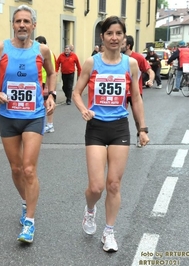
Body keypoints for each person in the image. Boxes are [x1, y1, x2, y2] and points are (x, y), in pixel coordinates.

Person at [0, 5, 56, 243]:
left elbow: (52, 73)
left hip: (34, 115)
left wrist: (50, 94)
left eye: (26, 21)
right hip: (8, 116)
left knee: (29, 169)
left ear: (34, 25)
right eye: (18, 21)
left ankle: (29, 222)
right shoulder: (1, 47)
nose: (22, 25)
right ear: (13, 24)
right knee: (16, 169)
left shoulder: (42, 50)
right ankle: (25, 201)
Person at [72, 16, 149, 252]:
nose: (114, 38)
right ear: (102, 37)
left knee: (114, 184)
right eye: (109, 34)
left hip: (119, 127)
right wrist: (84, 109)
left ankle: (109, 232)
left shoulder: (130, 64)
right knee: (96, 187)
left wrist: (142, 129)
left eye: (118, 34)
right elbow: (76, 92)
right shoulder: (91, 63)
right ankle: (90, 210)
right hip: (96, 127)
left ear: (124, 38)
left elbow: (135, 98)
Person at [121, 35, 154, 148]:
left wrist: (151, 79)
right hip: (122, 93)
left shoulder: (138, 58)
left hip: (135, 92)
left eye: (122, 44)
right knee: (119, 116)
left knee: (137, 118)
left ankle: (140, 135)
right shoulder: (117, 58)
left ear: (128, 46)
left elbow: (150, 71)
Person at [35, 35, 56, 133]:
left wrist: (48, 86)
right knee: (41, 103)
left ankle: (50, 124)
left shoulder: (47, 52)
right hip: (40, 82)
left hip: (45, 82)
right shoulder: (38, 52)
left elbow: (51, 71)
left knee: (47, 103)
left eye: (39, 43)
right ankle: (43, 124)